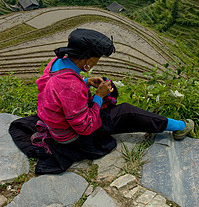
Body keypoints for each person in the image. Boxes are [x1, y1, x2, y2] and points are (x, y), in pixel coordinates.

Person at [9, 28, 194, 174]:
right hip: (72, 137)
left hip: (56, 120)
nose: (97, 62)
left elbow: (55, 89)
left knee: (110, 92)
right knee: (126, 112)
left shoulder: (56, 63)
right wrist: (99, 96)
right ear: (87, 60)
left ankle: (169, 124)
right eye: (97, 58)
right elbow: (84, 127)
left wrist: (86, 81)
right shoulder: (70, 86)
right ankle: (179, 126)